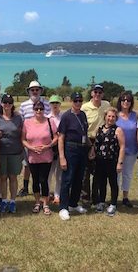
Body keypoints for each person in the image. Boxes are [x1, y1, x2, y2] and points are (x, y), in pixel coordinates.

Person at [58, 92, 92, 221]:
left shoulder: (83, 114)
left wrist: (91, 147)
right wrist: (62, 157)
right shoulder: (66, 116)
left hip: (82, 149)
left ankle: (73, 204)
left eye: (80, 100)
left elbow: (85, 133)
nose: (78, 103)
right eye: (75, 100)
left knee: (79, 178)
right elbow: (61, 137)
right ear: (71, 101)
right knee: (67, 179)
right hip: (70, 148)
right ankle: (63, 207)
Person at [22, 101, 57, 215]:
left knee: (44, 180)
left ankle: (45, 204)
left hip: (46, 156)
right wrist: (31, 148)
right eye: (36, 109)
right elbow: (23, 139)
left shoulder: (49, 121)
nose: (38, 111)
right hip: (32, 156)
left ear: (44, 110)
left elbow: (57, 137)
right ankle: (37, 202)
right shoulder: (27, 122)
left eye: (41, 109)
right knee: (35, 180)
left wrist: (48, 146)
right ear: (33, 110)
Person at [18, 80, 51, 197]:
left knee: (43, 167)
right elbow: (21, 122)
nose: (35, 92)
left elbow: (49, 120)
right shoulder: (23, 105)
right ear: (29, 91)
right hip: (29, 140)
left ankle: (44, 190)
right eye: (33, 90)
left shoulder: (46, 104)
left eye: (37, 89)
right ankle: (26, 187)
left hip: (43, 140)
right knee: (27, 165)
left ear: (40, 91)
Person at [0, 94, 23, 213]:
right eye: (5, 102)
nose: (7, 105)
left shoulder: (18, 118)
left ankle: (13, 201)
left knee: (13, 177)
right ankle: (4, 201)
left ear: (12, 105)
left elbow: (23, 133)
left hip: (15, 152)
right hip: (1, 153)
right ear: (1, 104)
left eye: (9, 102)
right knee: (2, 177)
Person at [81, 84, 110, 206]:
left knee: (99, 170)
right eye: (95, 92)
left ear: (102, 94)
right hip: (88, 140)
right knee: (86, 171)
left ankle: (96, 197)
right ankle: (85, 197)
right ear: (92, 93)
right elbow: (82, 125)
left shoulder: (106, 105)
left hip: (102, 140)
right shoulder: (85, 107)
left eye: (100, 92)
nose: (97, 94)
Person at [94, 107, 125, 216]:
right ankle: (102, 202)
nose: (110, 118)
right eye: (109, 116)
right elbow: (96, 144)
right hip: (100, 161)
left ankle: (113, 204)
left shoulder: (118, 130)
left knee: (113, 183)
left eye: (113, 116)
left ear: (116, 118)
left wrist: (120, 162)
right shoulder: (100, 128)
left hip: (112, 160)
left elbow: (122, 147)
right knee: (101, 182)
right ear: (105, 117)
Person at [116, 92, 138, 207]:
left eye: (128, 100)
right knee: (116, 174)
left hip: (132, 150)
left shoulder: (135, 115)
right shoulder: (115, 115)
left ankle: (125, 197)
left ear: (131, 102)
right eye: (123, 100)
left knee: (127, 174)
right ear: (120, 102)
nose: (126, 102)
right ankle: (114, 197)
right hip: (117, 151)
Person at [47, 95, 63, 204]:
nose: (55, 105)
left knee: (60, 174)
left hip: (61, 148)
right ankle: (47, 194)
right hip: (50, 148)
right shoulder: (47, 118)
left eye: (57, 103)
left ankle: (57, 195)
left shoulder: (64, 117)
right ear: (50, 105)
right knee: (49, 173)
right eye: (53, 103)